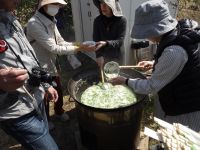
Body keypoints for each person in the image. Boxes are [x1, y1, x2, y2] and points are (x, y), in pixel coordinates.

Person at [110, 0, 200, 132]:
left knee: (177, 140)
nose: (145, 36)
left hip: (184, 107)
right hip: (182, 95)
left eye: (146, 32)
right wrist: (154, 63)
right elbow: (179, 65)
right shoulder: (178, 33)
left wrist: (124, 81)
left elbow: (151, 86)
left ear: (156, 29)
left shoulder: (174, 52)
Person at [26, 0, 97, 129]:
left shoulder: (51, 19)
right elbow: (54, 48)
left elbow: (60, 41)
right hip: (40, 66)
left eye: (58, 5)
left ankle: (59, 111)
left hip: (52, 63)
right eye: (55, 5)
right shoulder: (34, 24)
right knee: (44, 94)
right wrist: (80, 49)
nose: (57, 8)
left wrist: (79, 44)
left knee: (58, 88)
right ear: (44, 5)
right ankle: (46, 119)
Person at [0, 0, 60, 149]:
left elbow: (29, 57)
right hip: (15, 111)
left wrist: (45, 85)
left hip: (35, 98)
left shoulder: (11, 18)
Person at [93, 0, 127, 66]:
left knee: (119, 75)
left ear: (113, 5)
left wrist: (106, 43)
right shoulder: (97, 20)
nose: (103, 6)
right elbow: (96, 40)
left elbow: (120, 41)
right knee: (104, 75)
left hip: (118, 56)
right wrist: (98, 55)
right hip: (103, 56)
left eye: (106, 3)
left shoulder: (122, 20)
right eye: (101, 3)